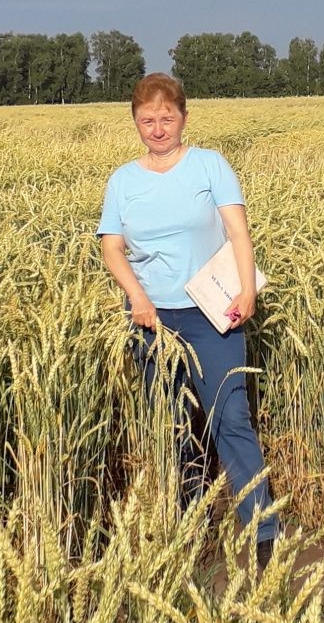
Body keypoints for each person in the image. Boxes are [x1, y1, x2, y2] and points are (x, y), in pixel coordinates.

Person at [98, 73, 280, 563]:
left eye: (167, 118)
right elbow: (112, 248)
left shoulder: (209, 165)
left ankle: (263, 530)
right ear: (135, 122)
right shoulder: (123, 181)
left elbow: (238, 232)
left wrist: (247, 290)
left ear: (184, 117)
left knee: (230, 415)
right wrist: (137, 297)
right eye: (147, 121)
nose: (158, 129)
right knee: (175, 423)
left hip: (212, 312)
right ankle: (191, 524)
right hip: (150, 318)